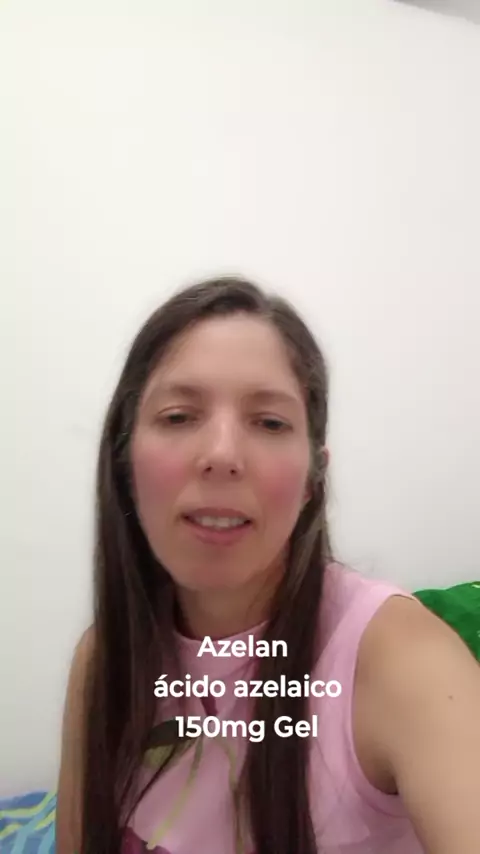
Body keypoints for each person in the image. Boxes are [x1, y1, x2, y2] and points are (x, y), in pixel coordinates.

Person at [55, 276, 480, 854]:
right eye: (179, 416)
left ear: (312, 481)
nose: (222, 454)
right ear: (125, 462)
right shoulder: (104, 658)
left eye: (270, 423)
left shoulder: (403, 661)